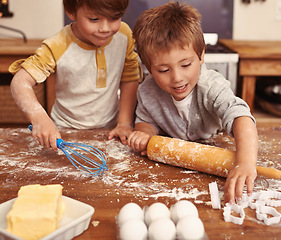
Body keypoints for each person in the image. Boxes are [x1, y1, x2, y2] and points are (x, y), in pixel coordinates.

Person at [128, 1, 258, 204]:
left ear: (201, 55)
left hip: (211, 151)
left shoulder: (211, 86)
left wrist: (246, 162)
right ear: (148, 68)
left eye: (186, 64)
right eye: (163, 70)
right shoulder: (147, 90)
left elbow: (241, 117)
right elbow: (146, 121)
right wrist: (144, 134)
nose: (177, 77)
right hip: (171, 167)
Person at [9, 0, 142, 151]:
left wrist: (124, 123)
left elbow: (130, 77)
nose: (105, 28)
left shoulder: (124, 35)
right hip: (66, 131)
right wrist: (40, 118)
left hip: (110, 130)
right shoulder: (58, 45)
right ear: (71, 12)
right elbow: (20, 81)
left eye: (114, 18)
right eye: (94, 19)